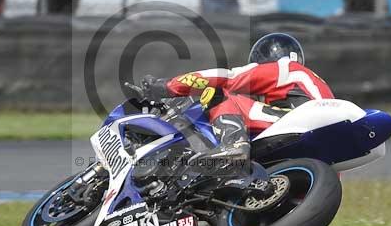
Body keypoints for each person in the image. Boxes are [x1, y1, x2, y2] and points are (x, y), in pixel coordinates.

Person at [141, 33, 333, 175]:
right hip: (323, 156)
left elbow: (225, 78)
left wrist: (167, 86)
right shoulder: (314, 83)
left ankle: (233, 144)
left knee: (217, 92)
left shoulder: (283, 68)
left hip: (301, 122)